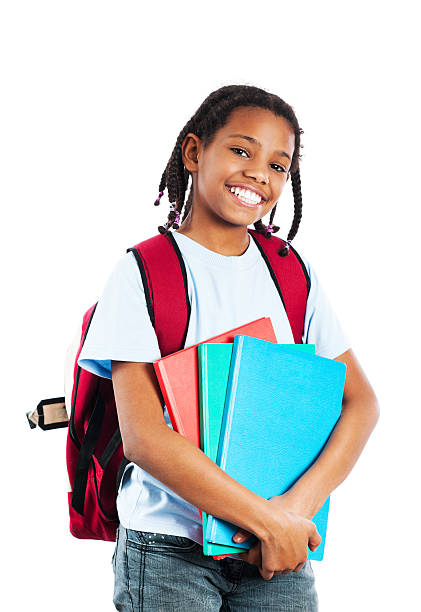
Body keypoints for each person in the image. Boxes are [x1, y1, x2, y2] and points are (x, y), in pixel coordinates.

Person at [78, 84, 379, 611]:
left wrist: (294, 512)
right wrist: (267, 518)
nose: (260, 173)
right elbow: (144, 438)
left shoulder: (290, 273)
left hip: (274, 551)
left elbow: (362, 404)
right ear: (194, 152)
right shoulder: (144, 272)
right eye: (242, 150)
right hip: (169, 550)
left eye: (279, 165)